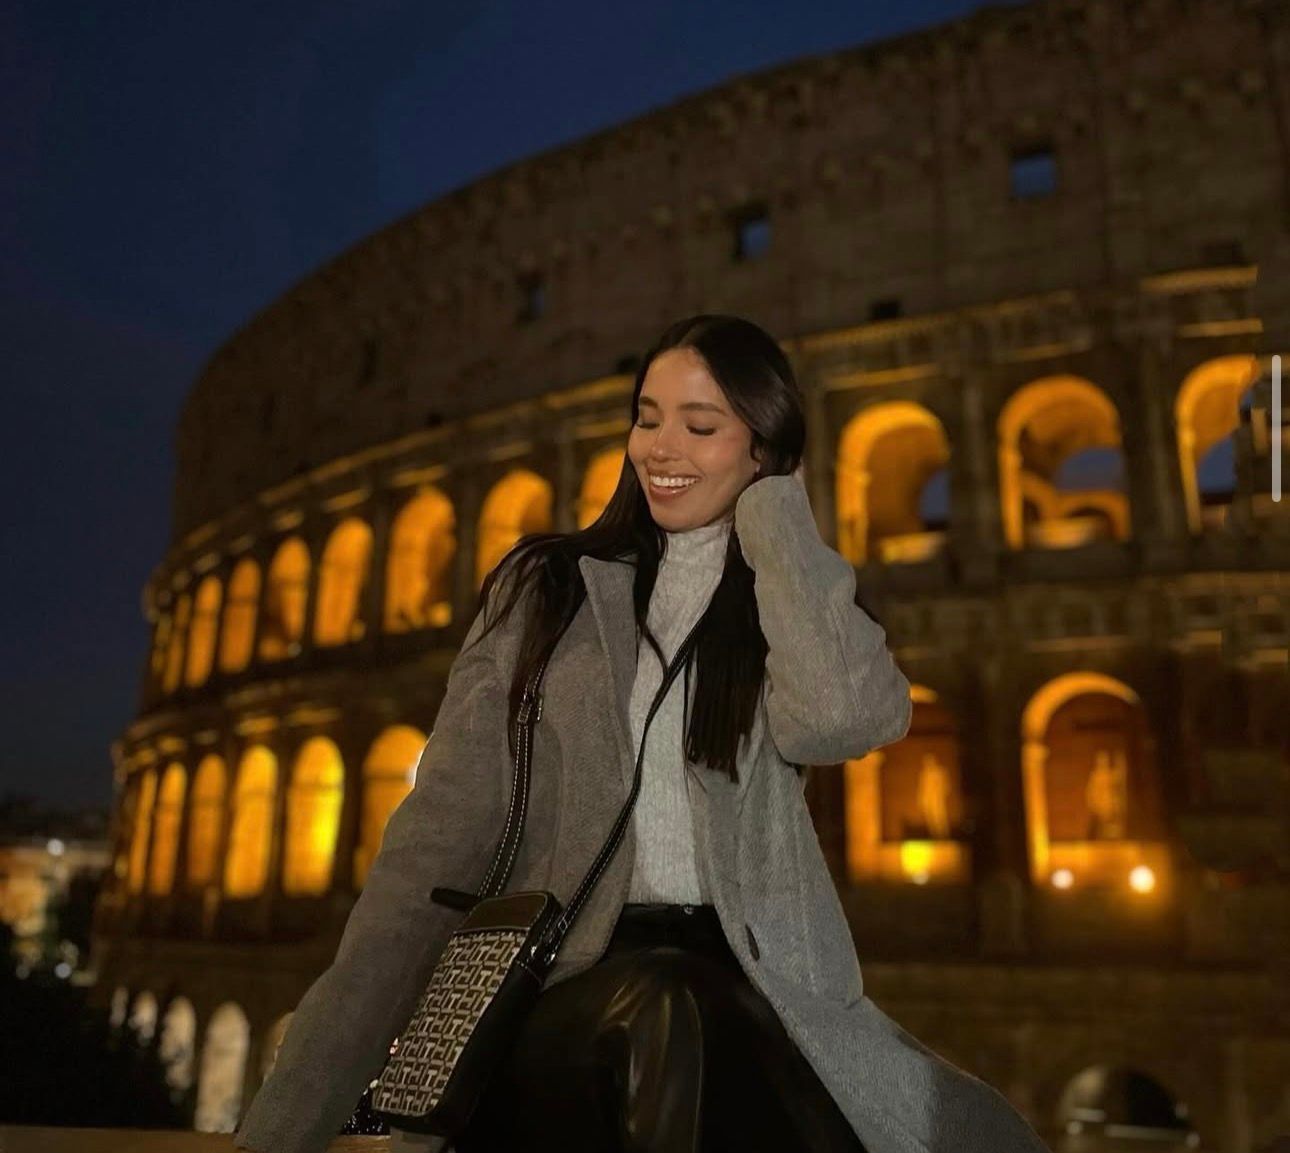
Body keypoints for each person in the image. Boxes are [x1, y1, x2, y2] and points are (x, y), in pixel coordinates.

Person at [233, 314, 1051, 1153]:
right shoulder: (545, 592)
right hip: (558, 979)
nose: (662, 446)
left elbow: (842, 717)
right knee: (665, 1010)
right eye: (647, 416)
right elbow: (430, 854)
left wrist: (775, 517)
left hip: (758, 985)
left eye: (701, 426)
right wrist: (284, 1126)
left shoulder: (786, 607)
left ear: (762, 447)